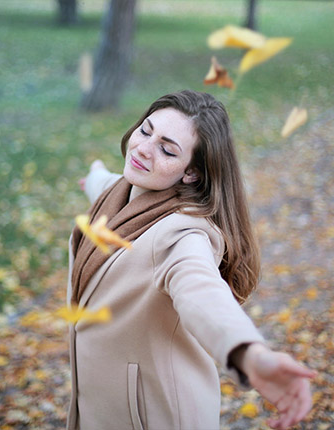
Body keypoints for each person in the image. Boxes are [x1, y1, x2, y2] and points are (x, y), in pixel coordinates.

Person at [68, 90, 316, 430]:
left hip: (157, 416)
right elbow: (106, 186)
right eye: (145, 130)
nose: (142, 148)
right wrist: (94, 176)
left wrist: (251, 355)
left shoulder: (183, 235)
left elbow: (202, 291)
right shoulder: (120, 191)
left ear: (191, 174)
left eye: (167, 149)